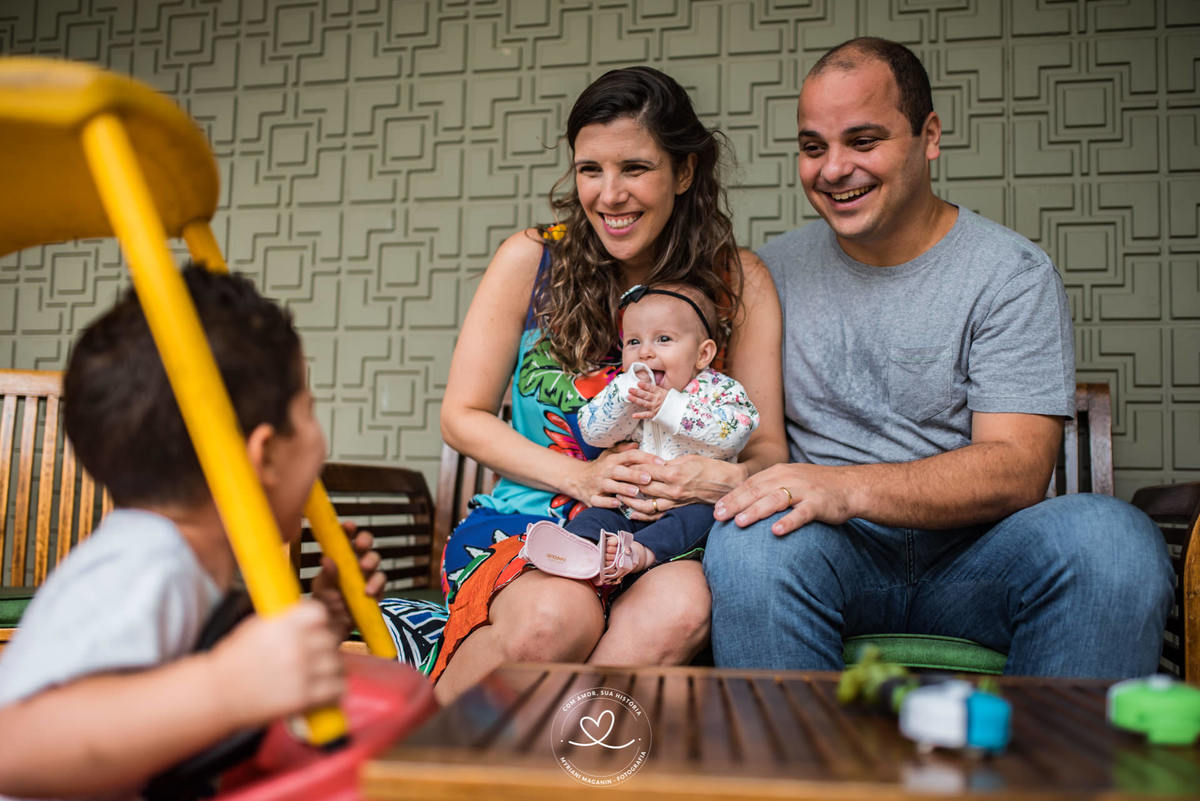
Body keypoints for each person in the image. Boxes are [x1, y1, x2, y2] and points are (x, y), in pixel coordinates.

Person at [704, 37, 1173, 677]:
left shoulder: (1011, 274)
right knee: (748, 542)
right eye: (813, 147)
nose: (834, 169)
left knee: (1113, 541)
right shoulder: (769, 275)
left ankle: (1053, 748)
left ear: (929, 137)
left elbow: (1017, 469)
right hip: (827, 555)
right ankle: (797, 746)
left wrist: (844, 486)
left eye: (863, 141)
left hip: (980, 560)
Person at [426, 66, 787, 703]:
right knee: (552, 618)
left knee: (680, 610)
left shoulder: (739, 280)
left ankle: (556, 756)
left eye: (635, 169)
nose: (609, 195)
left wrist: (713, 478)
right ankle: (418, 751)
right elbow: (463, 415)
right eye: (590, 169)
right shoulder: (530, 259)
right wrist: (582, 478)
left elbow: (766, 451)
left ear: (685, 171)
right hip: (533, 518)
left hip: (667, 535)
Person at [0, 266, 384, 800]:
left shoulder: (187, 567)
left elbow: (164, 707)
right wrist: (225, 687)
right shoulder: (143, 566)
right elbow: (12, 746)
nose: (321, 440)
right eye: (309, 412)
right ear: (266, 455)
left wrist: (322, 620)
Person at [544, 281, 759, 581]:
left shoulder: (718, 390)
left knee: (700, 519)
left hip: (690, 503)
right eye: (633, 342)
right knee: (595, 517)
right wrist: (620, 397)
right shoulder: (627, 393)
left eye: (663, 339)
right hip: (629, 506)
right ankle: (577, 551)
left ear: (703, 354)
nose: (644, 352)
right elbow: (593, 433)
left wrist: (671, 407)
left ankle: (640, 553)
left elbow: (736, 432)